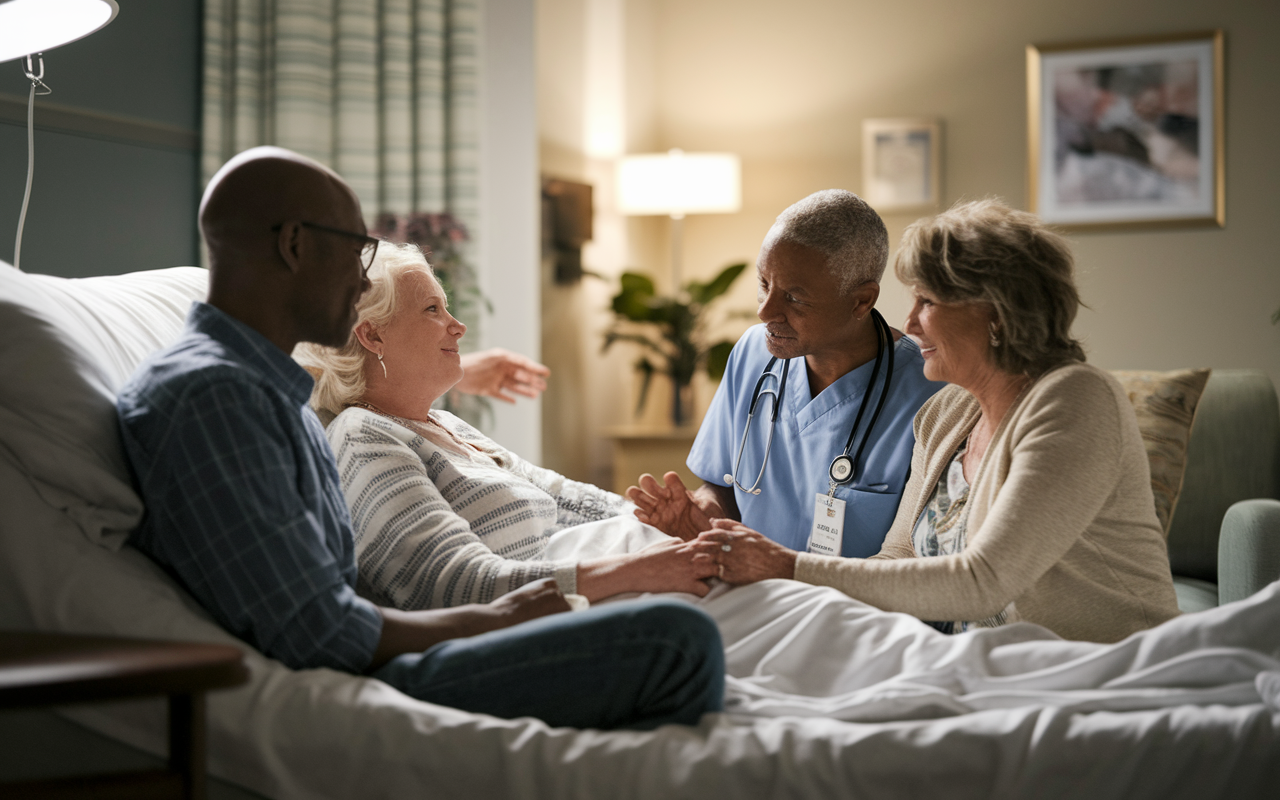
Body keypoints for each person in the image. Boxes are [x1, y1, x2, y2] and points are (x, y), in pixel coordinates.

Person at [117, 146, 724, 730]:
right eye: (356, 252)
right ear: (294, 245)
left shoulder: (263, 388)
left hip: (387, 645)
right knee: (674, 639)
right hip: (365, 680)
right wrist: (510, 613)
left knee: (690, 620)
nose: (360, 285)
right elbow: (319, 633)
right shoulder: (215, 395)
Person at [695, 199, 1182, 643]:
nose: (908, 324)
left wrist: (787, 569)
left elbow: (982, 582)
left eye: (927, 302)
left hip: (1100, 667)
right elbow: (898, 557)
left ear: (995, 313)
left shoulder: (1075, 400)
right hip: (973, 663)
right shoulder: (946, 414)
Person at [295, 241, 720, 609]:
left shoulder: (446, 426)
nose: (458, 327)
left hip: (623, 581)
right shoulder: (363, 436)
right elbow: (456, 586)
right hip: (575, 611)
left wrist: (658, 518)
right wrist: (637, 571)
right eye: (432, 310)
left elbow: (567, 498)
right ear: (372, 336)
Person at [629, 190, 943, 558]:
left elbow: (920, 559)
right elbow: (723, 485)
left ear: (861, 300)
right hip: (751, 592)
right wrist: (702, 514)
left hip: (854, 608)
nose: (765, 311)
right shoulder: (751, 352)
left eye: (794, 297)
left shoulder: (930, 392)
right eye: (764, 284)